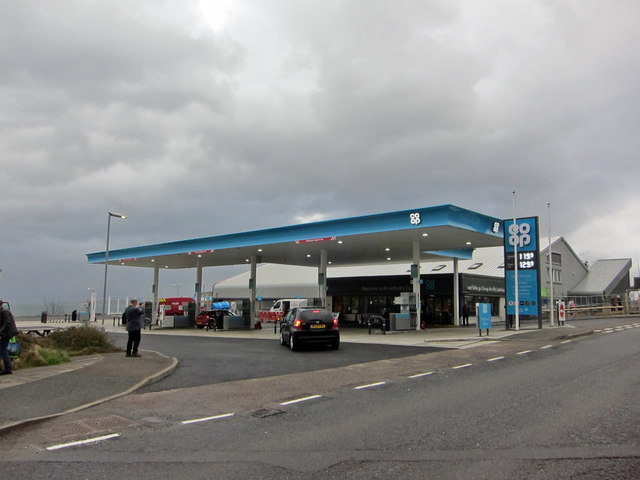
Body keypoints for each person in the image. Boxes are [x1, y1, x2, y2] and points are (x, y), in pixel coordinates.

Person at [0, 299, 19, 375]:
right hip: (4, 333)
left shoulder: (5, 312)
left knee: (3, 350)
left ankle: (8, 368)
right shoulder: (2, 312)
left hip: (6, 334)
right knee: (2, 350)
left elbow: (7, 323)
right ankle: (5, 368)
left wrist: (0, 332)